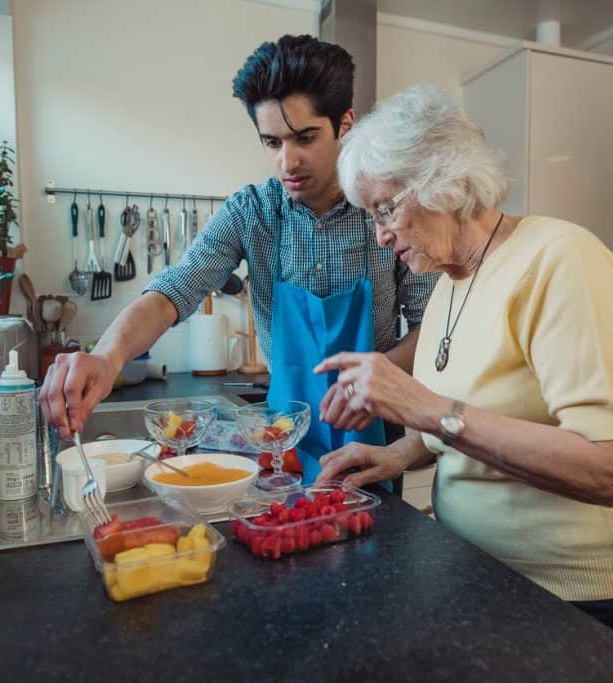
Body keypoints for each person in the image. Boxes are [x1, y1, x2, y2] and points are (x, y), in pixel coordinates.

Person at [315, 84, 613, 648]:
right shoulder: (449, 283)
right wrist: (395, 453)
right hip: (482, 567)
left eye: (385, 209)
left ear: (445, 182)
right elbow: (468, 419)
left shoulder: (561, 261)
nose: (380, 234)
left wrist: (424, 409)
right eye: (371, 216)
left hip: (576, 590)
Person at [39, 36, 437, 484]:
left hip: (375, 434)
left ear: (346, 123)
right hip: (283, 440)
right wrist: (108, 359)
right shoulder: (252, 213)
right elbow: (176, 289)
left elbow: (433, 324)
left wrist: (378, 372)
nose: (287, 161)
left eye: (305, 138)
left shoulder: (387, 210)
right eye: (271, 142)